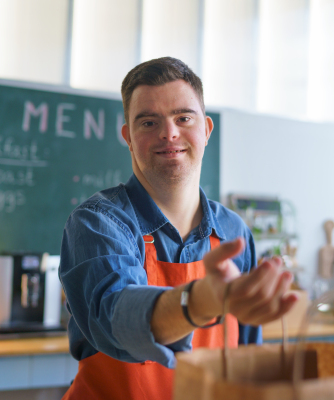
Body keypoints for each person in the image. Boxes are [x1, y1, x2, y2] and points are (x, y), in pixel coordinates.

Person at [59, 57, 297, 400]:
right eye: (148, 122)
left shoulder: (234, 231)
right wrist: (201, 302)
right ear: (128, 136)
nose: (168, 133)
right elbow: (114, 318)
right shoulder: (98, 222)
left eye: (183, 118)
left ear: (206, 130)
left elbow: (247, 359)